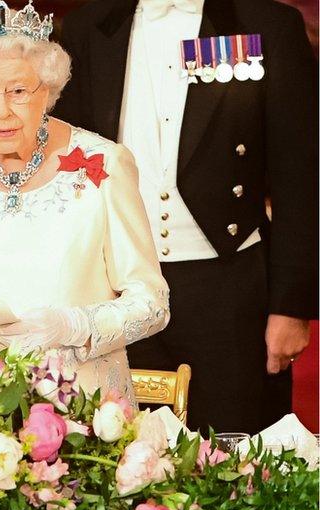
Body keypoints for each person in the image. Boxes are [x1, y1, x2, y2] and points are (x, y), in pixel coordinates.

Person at [55, 0, 318, 432]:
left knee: (235, 459)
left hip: (228, 286)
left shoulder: (265, 23)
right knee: (121, 457)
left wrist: (291, 305)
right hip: (117, 286)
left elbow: (302, 175)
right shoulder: (89, 25)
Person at [0, 1, 170, 400]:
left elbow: (153, 302)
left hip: (82, 416)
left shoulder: (105, 164)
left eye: (19, 91)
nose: (1, 111)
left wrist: (75, 326)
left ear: (49, 91)